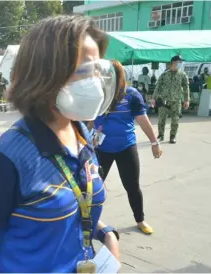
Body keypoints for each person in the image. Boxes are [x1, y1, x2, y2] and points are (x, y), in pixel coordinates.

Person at [0, 16, 120, 273]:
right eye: (83, 70)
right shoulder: (7, 159)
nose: (94, 82)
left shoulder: (79, 131)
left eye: (96, 70)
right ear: (45, 75)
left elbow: (73, 204)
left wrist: (107, 234)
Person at [93, 60, 161, 236]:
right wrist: (87, 140)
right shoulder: (97, 94)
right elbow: (87, 120)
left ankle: (140, 219)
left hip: (126, 148)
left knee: (132, 186)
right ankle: (88, 222)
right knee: (93, 188)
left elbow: (143, 121)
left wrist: (155, 142)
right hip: (101, 149)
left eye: (108, 74)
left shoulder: (131, 95)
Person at [151, 55, 190, 144]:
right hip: (163, 100)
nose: (180, 64)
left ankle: (173, 136)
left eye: (181, 62)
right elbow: (158, 87)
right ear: (173, 63)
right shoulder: (164, 74)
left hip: (176, 101)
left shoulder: (183, 75)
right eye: (179, 62)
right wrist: (153, 98)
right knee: (161, 119)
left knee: (175, 119)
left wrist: (187, 100)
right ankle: (161, 135)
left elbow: (186, 87)